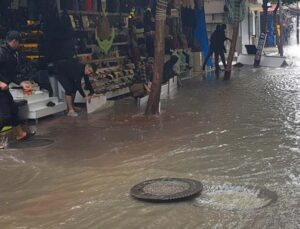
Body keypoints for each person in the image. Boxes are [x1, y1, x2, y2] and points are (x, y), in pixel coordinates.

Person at [0, 31, 35, 141]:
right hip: (1, 87)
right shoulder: (1, 52)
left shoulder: (11, 53)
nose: (19, 45)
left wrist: (21, 83)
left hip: (4, 87)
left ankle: (20, 133)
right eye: (18, 42)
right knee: (6, 116)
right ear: (14, 41)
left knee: (14, 109)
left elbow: (11, 73)